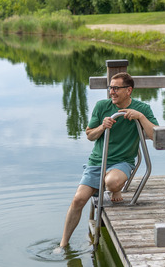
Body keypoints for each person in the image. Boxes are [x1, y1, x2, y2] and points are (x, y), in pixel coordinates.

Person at [59, 72, 158, 248]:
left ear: (129, 90)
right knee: (78, 200)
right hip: (97, 161)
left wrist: (141, 118)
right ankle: (63, 244)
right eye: (110, 88)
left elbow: (155, 135)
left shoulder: (142, 108)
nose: (111, 91)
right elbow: (90, 135)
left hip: (122, 162)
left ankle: (114, 188)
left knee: (112, 182)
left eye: (116, 88)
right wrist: (102, 127)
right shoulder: (102, 106)